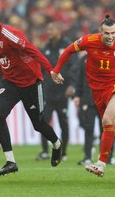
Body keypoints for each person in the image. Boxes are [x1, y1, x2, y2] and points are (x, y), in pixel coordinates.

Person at [51, 14, 115, 177]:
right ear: (101, 32)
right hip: (98, 90)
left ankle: (101, 163)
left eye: (113, 33)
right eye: (107, 33)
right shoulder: (88, 41)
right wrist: (56, 70)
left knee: (106, 120)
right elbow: (68, 51)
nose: (110, 37)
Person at [0, 8, 63, 176]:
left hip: (31, 82)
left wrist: (51, 70)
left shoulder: (9, 34)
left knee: (38, 124)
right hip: (10, 82)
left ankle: (57, 144)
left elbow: (32, 50)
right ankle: (10, 161)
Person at [36, 22, 75, 162]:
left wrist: (72, 85)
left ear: (59, 29)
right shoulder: (45, 47)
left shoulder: (68, 46)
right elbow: (39, 68)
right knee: (43, 121)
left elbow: (74, 67)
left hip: (63, 91)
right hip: (47, 91)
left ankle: (63, 152)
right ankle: (45, 151)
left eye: (52, 28)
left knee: (63, 121)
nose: (49, 31)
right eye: (48, 29)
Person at [73, 50, 101, 165]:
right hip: (87, 98)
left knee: (105, 128)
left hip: (102, 98)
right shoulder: (84, 59)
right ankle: (88, 156)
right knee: (88, 128)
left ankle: (106, 157)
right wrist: (77, 95)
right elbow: (78, 78)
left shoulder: (106, 55)